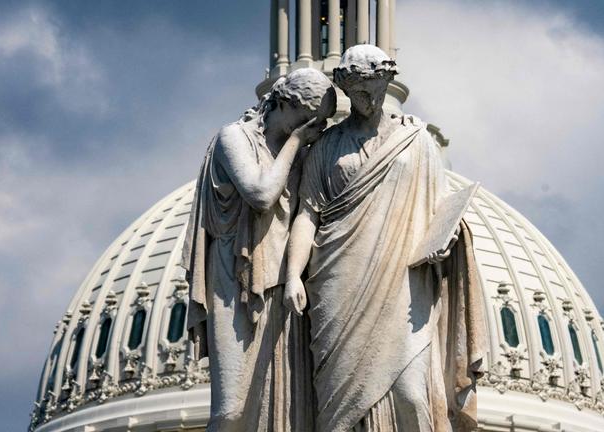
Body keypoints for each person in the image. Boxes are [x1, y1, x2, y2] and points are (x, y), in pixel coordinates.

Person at [285, 45, 487, 432]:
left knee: (411, 392)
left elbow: (441, 209)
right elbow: (307, 214)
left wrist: (448, 240)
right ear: (344, 89)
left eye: (374, 88)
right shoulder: (325, 147)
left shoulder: (417, 140)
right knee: (338, 405)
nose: (367, 98)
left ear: (388, 81)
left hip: (403, 282)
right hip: (338, 280)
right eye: (358, 91)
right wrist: (294, 274)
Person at [182, 68, 336, 432]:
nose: (318, 129)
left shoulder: (306, 154)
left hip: (284, 286)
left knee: (286, 412)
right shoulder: (232, 138)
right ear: (285, 104)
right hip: (234, 280)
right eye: (310, 119)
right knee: (231, 411)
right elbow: (261, 195)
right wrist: (297, 142)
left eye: (323, 122)